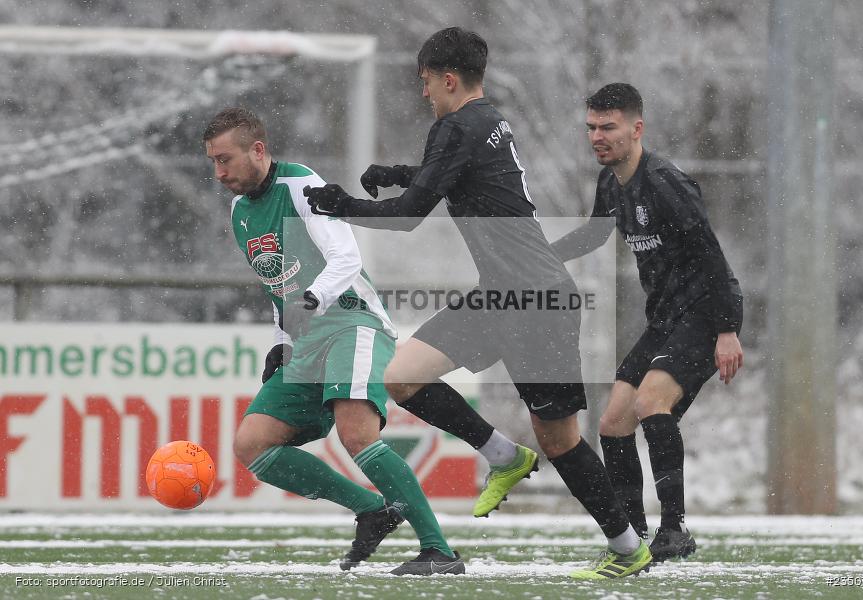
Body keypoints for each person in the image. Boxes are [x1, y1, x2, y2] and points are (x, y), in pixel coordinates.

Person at [306, 27, 652, 580]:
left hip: (537, 298)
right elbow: (452, 178)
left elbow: (413, 213)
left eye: (425, 84)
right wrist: (397, 174)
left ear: (447, 79)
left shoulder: (455, 126)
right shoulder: (486, 120)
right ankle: (501, 454)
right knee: (401, 376)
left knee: (559, 439)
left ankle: (628, 546)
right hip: (506, 294)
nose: (424, 94)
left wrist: (339, 204)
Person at [203, 107, 464, 576]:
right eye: (214, 163)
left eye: (226, 160)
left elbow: (345, 258)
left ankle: (439, 551)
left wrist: (310, 299)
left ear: (258, 150)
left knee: (356, 433)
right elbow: (278, 287)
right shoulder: (241, 212)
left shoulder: (301, 185)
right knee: (252, 444)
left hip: (352, 322)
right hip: (305, 340)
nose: (219, 173)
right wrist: (280, 341)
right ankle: (373, 510)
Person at [550, 83, 744, 562]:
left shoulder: (664, 182)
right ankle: (633, 539)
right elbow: (593, 235)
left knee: (650, 402)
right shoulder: (609, 183)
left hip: (702, 313)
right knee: (614, 422)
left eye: (608, 127)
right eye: (592, 127)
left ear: (637, 129)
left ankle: (674, 529)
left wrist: (726, 329)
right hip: (663, 319)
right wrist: (541, 256)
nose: (598, 136)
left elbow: (709, 252)